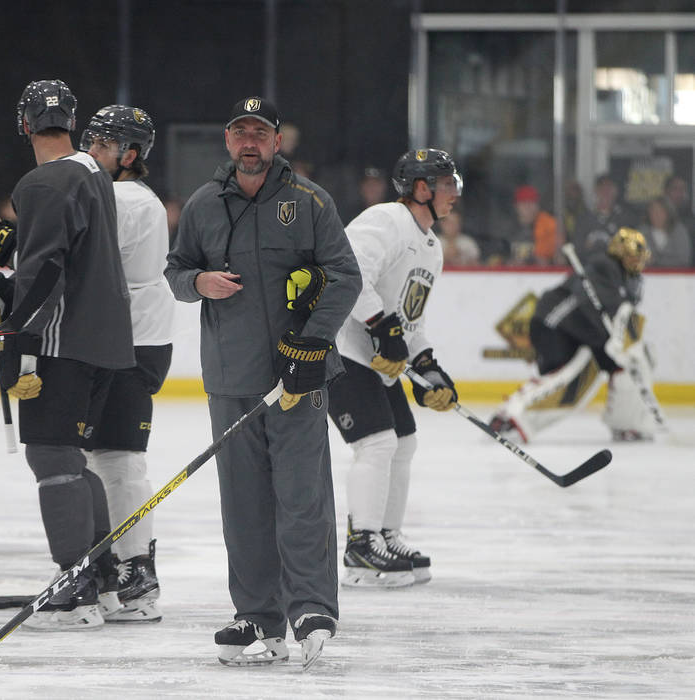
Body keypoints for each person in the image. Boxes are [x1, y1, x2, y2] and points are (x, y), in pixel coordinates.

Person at [165, 96, 361, 668]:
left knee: (302, 497)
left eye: (260, 132)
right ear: (227, 141)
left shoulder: (309, 201)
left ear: (278, 142)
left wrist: (313, 341)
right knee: (243, 502)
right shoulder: (203, 205)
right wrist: (198, 281)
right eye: (239, 132)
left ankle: (311, 608)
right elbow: (175, 272)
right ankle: (257, 613)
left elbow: (345, 275)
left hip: (296, 376)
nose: (249, 142)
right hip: (230, 377)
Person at [0, 79, 134, 630]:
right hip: (103, 344)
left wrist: (18, 337)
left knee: (51, 461)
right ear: (72, 122)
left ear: (24, 125)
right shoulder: (92, 174)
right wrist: (4, 285)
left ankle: (73, 586)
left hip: (60, 343)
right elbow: (61, 262)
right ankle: (102, 579)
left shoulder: (40, 182)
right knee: (74, 462)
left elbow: (46, 274)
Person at [327, 148, 462, 589]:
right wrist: (381, 327)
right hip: (342, 349)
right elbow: (347, 275)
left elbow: (410, 320)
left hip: (374, 360)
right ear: (420, 189)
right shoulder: (384, 220)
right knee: (378, 443)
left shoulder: (430, 247)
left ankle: (385, 534)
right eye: (445, 185)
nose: (453, 194)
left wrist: (428, 366)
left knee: (404, 442)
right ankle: (362, 546)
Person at [81, 105, 175, 622]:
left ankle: (135, 573)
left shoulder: (126, 199)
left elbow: (79, 256)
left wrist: (9, 252)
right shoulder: (116, 194)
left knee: (117, 459)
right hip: (129, 336)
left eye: (101, 145)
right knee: (102, 458)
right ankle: (118, 574)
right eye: (90, 142)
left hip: (130, 341)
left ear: (130, 154)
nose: (91, 152)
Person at [489, 228, 656, 443]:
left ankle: (625, 423)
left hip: (575, 330)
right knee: (572, 377)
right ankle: (513, 416)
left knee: (612, 370)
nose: (636, 263)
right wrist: (615, 339)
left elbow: (612, 313)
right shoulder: (604, 267)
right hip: (557, 325)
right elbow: (600, 305)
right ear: (619, 253)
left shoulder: (622, 277)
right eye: (632, 257)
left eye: (639, 259)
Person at [573, 174, 634, 257]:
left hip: (614, 268)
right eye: (602, 189)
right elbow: (577, 250)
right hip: (589, 267)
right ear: (596, 191)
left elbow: (629, 250)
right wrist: (585, 247)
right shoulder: (584, 220)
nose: (605, 193)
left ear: (615, 192)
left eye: (609, 189)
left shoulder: (624, 219)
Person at [510, 185, 560, 266]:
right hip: (510, 276)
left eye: (531, 202)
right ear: (516, 206)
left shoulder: (548, 226)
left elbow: (551, 261)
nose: (528, 207)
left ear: (537, 205)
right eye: (524, 203)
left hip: (541, 276)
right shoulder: (507, 230)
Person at [642, 196, 691, 268]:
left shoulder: (679, 231)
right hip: (649, 277)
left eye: (660, 211)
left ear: (668, 213)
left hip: (677, 276)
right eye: (653, 211)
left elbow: (683, 260)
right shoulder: (642, 232)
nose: (656, 215)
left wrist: (656, 261)